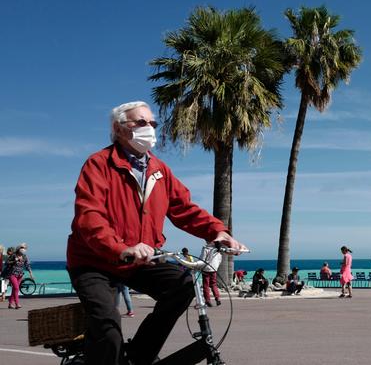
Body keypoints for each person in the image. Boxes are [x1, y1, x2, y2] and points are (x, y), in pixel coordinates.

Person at [66, 101, 245, 365]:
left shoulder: (159, 170)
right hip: (94, 260)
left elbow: (184, 208)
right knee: (108, 330)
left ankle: (138, 356)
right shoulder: (98, 164)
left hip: (139, 259)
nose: (149, 128)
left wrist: (217, 231)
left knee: (183, 284)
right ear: (118, 128)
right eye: (140, 123)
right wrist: (120, 248)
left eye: (152, 123)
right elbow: (89, 217)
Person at [6, 243, 34, 309]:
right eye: (22, 247)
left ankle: (10, 303)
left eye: (24, 248)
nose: (23, 249)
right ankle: (17, 303)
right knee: (16, 288)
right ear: (19, 248)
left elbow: (27, 265)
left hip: (20, 275)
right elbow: (7, 262)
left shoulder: (24, 256)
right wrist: (14, 261)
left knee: (15, 289)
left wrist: (31, 273)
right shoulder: (14, 255)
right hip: (12, 274)